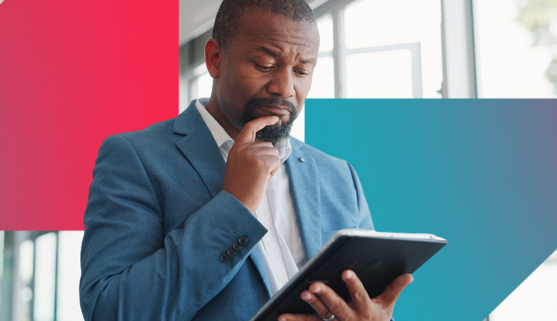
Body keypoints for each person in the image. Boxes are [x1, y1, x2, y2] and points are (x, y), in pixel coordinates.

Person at [79, 0, 412, 320]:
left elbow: (367, 303)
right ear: (214, 58)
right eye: (265, 65)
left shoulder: (339, 177)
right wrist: (235, 206)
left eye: (301, 70)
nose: (284, 87)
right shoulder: (136, 157)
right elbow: (111, 310)